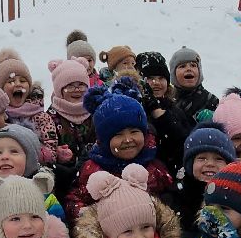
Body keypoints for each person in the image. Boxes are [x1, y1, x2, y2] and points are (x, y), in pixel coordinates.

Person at [65, 78, 174, 216]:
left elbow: (171, 195)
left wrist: (160, 207)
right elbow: (74, 200)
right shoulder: (92, 170)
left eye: (134, 132)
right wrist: (86, 213)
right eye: (118, 135)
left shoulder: (154, 166)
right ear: (104, 140)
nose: (128, 139)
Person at [0, 123, 65, 224]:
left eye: (14, 151)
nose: (4, 157)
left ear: (30, 159)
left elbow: (59, 233)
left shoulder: (46, 199)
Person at [0, 48, 61, 166]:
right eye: (11, 81)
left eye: (23, 80)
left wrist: (42, 154)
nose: (18, 84)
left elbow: (51, 146)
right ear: (1, 89)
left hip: (37, 169)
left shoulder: (40, 116)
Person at [46, 56, 97, 205]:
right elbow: (45, 148)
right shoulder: (50, 117)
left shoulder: (95, 112)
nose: (77, 90)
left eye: (81, 85)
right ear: (60, 89)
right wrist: (56, 153)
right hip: (64, 182)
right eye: (70, 86)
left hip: (94, 177)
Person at [160, 46, 222, 164]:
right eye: (182, 66)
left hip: (202, 156)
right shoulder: (168, 100)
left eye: (193, 65)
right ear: (173, 73)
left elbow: (224, 129)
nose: (188, 69)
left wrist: (215, 118)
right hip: (174, 157)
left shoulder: (210, 99)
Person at [171, 125, 236, 229]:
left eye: (218, 159)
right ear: (190, 164)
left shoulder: (236, 196)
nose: (210, 164)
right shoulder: (176, 198)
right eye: (202, 158)